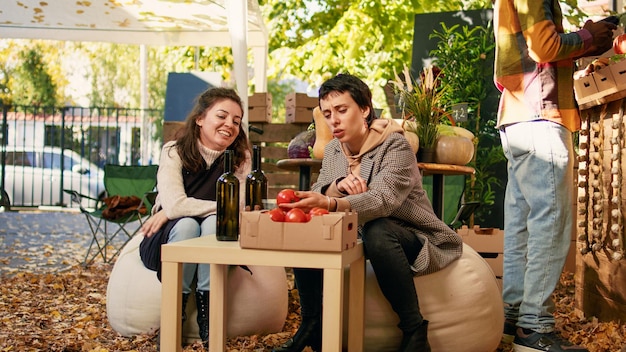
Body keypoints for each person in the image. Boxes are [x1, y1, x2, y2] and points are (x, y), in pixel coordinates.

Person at [274, 73, 463, 352]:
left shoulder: (396, 146)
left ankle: (414, 330)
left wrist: (332, 203)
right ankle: (313, 324)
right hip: (356, 236)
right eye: (327, 113)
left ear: (364, 109)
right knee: (310, 230)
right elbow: (320, 188)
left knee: (378, 229)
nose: (333, 120)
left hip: (408, 234)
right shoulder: (334, 151)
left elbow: (384, 201)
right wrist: (336, 186)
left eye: (341, 110)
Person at [493, 1, 616, 351]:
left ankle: (514, 319)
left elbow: (529, 53)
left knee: (522, 225)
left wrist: (585, 41)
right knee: (551, 220)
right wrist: (588, 36)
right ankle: (534, 328)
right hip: (540, 113)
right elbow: (543, 47)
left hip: (517, 116)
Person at [138, 87, 251, 346]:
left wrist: (172, 209)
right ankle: (173, 315)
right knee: (187, 225)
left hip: (217, 233)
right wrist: (173, 210)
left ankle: (208, 315)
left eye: (236, 120)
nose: (229, 125)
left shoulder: (240, 158)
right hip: (169, 238)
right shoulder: (173, 151)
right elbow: (177, 207)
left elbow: (238, 208)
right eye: (221, 116)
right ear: (200, 118)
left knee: (213, 223)